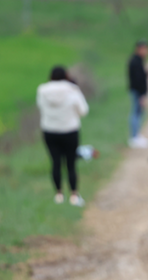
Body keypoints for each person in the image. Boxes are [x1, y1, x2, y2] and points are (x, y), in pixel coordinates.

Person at [37, 65, 89, 206]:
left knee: (55, 162)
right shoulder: (72, 90)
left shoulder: (42, 91)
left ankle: (58, 195)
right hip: (70, 130)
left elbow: (40, 106)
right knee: (71, 164)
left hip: (49, 131)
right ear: (66, 76)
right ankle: (74, 195)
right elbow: (83, 110)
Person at [127, 39, 148, 148]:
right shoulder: (135, 61)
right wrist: (142, 94)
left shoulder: (138, 60)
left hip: (138, 91)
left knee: (139, 113)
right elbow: (137, 80)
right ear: (140, 49)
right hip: (138, 92)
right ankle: (134, 137)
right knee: (136, 113)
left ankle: (137, 135)